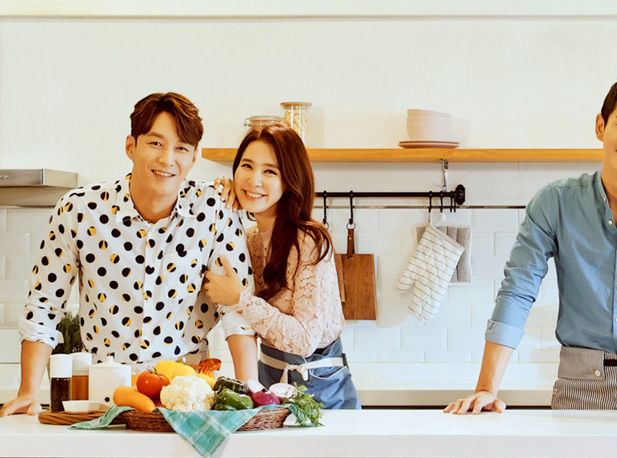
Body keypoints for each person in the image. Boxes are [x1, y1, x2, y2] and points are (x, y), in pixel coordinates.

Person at [444, 70, 617, 414]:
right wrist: (486, 388)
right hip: (578, 388)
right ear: (601, 126)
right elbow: (517, 291)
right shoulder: (554, 202)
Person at [1, 93, 257, 417]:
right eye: (155, 143)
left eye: (181, 148)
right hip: (105, 397)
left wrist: (252, 395)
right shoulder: (79, 210)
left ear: (194, 157)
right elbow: (44, 305)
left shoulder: (215, 210)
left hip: (186, 398)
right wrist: (27, 391)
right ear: (130, 146)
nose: (167, 159)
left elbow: (237, 314)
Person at [203, 123, 359, 408]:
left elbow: (305, 340)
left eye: (270, 171)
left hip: (322, 389)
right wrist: (218, 198)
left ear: (289, 180)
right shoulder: (248, 239)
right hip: (267, 380)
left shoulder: (310, 240)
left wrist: (239, 299)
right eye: (247, 166)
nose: (254, 180)